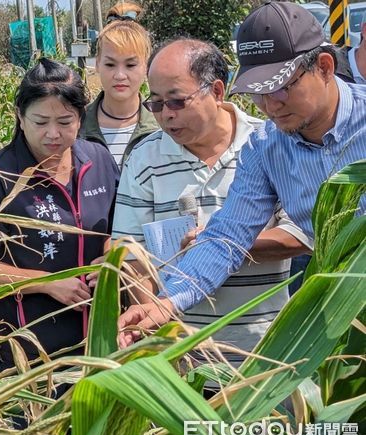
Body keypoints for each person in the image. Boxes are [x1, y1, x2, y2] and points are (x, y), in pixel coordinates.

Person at [118, 0, 366, 348]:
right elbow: (227, 237)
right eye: (257, 92)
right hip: (337, 321)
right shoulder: (266, 147)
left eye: (280, 87)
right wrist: (166, 303)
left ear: (324, 67)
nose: (269, 105)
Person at [111, 38, 310, 366]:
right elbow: (131, 253)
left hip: (266, 350)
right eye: (156, 104)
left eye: (176, 102)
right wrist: (160, 323)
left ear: (217, 91)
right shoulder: (145, 158)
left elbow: (299, 235)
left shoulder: (271, 143)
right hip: (181, 355)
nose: (166, 116)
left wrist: (221, 244)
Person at [0, 58, 120, 372]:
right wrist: (48, 282)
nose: (53, 134)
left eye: (65, 122)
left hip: (102, 341)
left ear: (81, 117)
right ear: (20, 118)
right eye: (40, 122)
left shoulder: (99, 160)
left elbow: (122, 228)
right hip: (28, 353)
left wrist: (110, 256)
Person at [80, 19, 158, 167]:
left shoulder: (162, 126)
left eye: (130, 65)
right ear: (97, 64)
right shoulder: (76, 125)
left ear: (146, 66)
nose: (120, 75)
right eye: (110, 64)